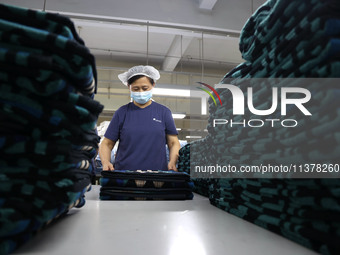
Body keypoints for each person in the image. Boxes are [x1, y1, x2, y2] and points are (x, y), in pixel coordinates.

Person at [99, 65, 181, 172]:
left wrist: (172, 161)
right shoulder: (122, 112)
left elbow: (173, 142)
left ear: (153, 85)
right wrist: (106, 162)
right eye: (136, 89)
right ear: (129, 87)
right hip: (125, 174)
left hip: (157, 175)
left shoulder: (164, 112)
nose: (141, 92)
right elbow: (107, 143)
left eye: (145, 88)